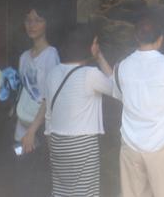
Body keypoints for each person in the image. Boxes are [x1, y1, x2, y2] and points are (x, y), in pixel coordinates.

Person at [114, 14, 164, 197]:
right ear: (161, 39)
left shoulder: (121, 67)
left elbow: (120, 96)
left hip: (130, 145)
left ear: (136, 38)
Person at [43, 23, 113, 197]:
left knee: (61, 191)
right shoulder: (90, 74)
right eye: (95, 43)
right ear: (88, 46)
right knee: (85, 193)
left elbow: (48, 113)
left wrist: (50, 140)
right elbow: (116, 89)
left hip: (56, 141)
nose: (97, 47)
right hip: (83, 143)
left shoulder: (52, 74)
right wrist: (100, 58)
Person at [13, 4, 59, 197]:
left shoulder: (51, 55)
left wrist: (32, 130)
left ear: (47, 24)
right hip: (21, 128)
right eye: (28, 20)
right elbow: (23, 90)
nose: (32, 25)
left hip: (39, 130)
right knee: (22, 179)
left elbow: (49, 98)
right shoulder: (24, 57)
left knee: (37, 182)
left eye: (38, 20)